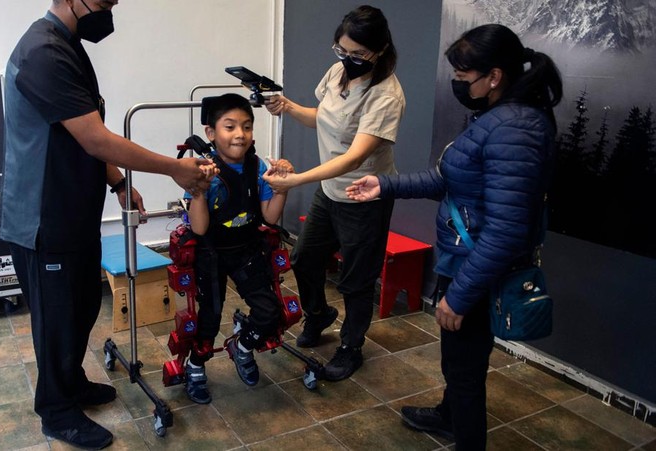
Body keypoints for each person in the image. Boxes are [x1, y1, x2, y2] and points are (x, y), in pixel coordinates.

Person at [0, 1, 215, 448]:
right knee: (57, 320)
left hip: (73, 213)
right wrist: (174, 169)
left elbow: (80, 132)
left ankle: (71, 384)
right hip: (43, 219)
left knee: (81, 308)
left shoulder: (69, 47)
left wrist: (116, 182)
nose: (110, 10)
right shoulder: (42, 52)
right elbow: (96, 138)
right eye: (104, 2)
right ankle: (57, 410)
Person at [346, 24, 563, 450]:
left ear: (494, 76)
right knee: (460, 362)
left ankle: (465, 436)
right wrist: (386, 185)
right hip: (465, 262)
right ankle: (449, 415)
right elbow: (449, 179)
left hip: (475, 272)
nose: (459, 86)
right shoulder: (501, 117)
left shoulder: (514, 128)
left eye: (464, 79)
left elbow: (506, 231)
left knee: (464, 370)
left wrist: (460, 297)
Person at [262, 4, 405, 381]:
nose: (348, 59)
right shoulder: (338, 72)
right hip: (330, 191)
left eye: (358, 54)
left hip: (364, 197)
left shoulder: (386, 95)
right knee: (305, 258)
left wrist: (296, 180)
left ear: (380, 50)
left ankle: (350, 347)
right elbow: (323, 117)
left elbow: (354, 157)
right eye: (342, 51)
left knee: (356, 279)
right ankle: (319, 314)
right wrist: (288, 107)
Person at [182, 93, 294, 404]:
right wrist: (200, 192)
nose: (239, 134)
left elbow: (270, 217)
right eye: (229, 126)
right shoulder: (205, 171)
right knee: (209, 319)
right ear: (211, 132)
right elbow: (200, 229)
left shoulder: (258, 167)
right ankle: (194, 365)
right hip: (211, 253)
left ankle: (242, 347)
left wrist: (283, 186)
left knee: (270, 312)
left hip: (246, 249)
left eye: (246, 126)